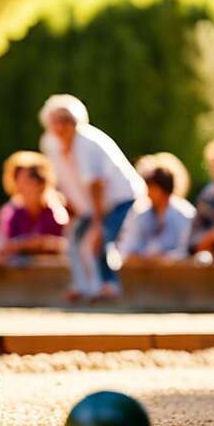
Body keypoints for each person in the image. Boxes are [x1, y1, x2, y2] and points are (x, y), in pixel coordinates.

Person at [38, 94, 144, 301]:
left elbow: (96, 185)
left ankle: (109, 286)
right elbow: (62, 181)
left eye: (66, 120)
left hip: (120, 201)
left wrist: (96, 223)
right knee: (75, 239)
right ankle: (83, 287)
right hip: (93, 208)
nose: (61, 126)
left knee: (102, 238)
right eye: (56, 121)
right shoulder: (50, 144)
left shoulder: (86, 143)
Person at [120, 157, 195, 263]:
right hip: (142, 274)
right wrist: (141, 257)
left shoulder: (185, 213)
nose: (148, 192)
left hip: (176, 274)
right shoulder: (139, 212)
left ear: (164, 189)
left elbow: (187, 250)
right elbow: (127, 247)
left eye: (152, 188)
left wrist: (163, 258)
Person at [0, 151, 67, 261]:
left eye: (36, 179)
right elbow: (3, 246)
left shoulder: (59, 209)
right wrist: (31, 244)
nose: (32, 186)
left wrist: (37, 244)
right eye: (24, 181)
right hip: (20, 275)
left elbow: (69, 245)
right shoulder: (10, 212)